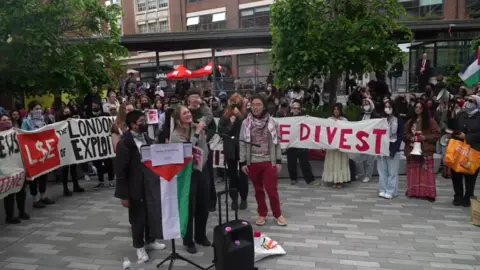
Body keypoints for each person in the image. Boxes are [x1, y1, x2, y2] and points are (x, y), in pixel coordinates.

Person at [114, 110, 166, 263]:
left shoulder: (148, 139)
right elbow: (120, 172)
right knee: (138, 219)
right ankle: (139, 246)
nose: (144, 124)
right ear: (132, 125)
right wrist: (123, 195)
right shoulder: (124, 143)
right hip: (134, 188)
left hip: (150, 185)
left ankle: (150, 240)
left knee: (151, 214)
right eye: (141, 121)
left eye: (145, 121)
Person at [239, 95, 287, 227]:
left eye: (258, 104)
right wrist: (243, 162)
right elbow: (242, 143)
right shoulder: (246, 123)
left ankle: (277, 214)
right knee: (258, 190)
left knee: (272, 190)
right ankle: (262, 213)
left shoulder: (273, 122)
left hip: (268, 161)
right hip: (253, 161)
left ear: (264, 106)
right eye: (253, 104)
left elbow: (277, 143)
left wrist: (278, 161)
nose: (255, 107)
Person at [170, 106, 211, 254]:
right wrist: (198, 132)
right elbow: (186, 150)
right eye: (184, 113)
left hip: (201, 170)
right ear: (178, 118)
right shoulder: (176, 135)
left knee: (203, 204)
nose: (188, 114)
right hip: (187, 174)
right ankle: (188, 240)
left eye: (188, 112)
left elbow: (203, 147)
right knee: (189, 207)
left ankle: (200, 235)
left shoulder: (196, 127)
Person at [404, 101, 441, 202]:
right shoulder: (410, 122)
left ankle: (429, 193)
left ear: (423, 109)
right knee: (414, 171)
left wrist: (425, 137)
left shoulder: (430, 121)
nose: (418, 109)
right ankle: (414, 191)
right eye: (416, 107)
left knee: (426, 172)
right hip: (412, 150)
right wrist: (411, 138)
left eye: (420, 107)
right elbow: (405, 134)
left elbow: (437, 134)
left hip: (425, 150)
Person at [21, 101, 56, 208]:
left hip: (43, 152)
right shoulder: (26, 121)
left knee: (44, 175)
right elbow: (23, 135)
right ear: (30, 110)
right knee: (34, 177)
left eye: (40, 108)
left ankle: (43, 196)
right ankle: (35, 199)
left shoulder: (43, 120)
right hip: (32, 153)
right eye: (36, 109)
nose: (38, 111)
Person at [219, 93, 249, 210]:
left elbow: (248, 129)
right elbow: (222, 133)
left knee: (243, 174)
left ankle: (244, 199)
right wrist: (231, 123)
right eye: (234, 104)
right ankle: (234, 199)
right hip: (230, 149)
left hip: (242, 148)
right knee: (232, 175)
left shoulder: (245, 115)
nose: (236, 106)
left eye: (238, 104)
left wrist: (240, 117)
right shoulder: (225, 116)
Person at [450, 95, 480, 207]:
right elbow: (453, 127)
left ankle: (468, 197)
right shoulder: (461, 114)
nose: (468, 102)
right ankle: (457, 196)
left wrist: (467, 137)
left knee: (470, 175)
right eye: (466, 100)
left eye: (471, 101)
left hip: (473, 150)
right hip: (459, 149)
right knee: (456, 173)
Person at [1, 114, 30, 224]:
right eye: (4, 120)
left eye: (9, 119)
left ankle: (22, 211)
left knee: (21, 190)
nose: (7, 121)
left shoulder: (17, 132)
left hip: (18, 165)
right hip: (6, 169)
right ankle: (10, 216)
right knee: (9, 193)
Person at [285, 100, 317, 185]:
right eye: (294, 108)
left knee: (305, 163)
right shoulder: (286, 119)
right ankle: (293, 178)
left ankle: (310, 179)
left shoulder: (304, 118)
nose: (296, 110)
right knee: (291, 163)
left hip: (302, 144)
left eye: (297, 108)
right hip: (291, 144)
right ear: (291, 109)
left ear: (300, 109)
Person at [377, 101, 404, 199]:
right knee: (382, 170)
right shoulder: (381, 119)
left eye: (389, 106)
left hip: (393, 147)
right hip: (381, 147)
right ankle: (382, 189)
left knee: (392, 171)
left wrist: (395, 147)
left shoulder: (398, 119)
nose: (387, 108)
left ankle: (391, 190)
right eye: (385, 106)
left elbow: (400, 135)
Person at [322, 103, 351, 188]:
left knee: (341, 162)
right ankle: (334, 180)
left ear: (340, 110)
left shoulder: (345, 120)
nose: (336, 111)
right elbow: (324, 132)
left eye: (338, 109)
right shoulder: (329, 120)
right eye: (334, 109)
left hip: (341, 146)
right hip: (332, 146)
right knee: (332, 162)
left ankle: (340, 181)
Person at [58, 106, 85, 196]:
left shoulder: (72, 120)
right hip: (64, 145)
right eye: (65, 112)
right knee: (65, 168)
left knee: (74, 165)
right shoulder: (59, 123)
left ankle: (75, 185)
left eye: (68, 112)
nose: (67, 113)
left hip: (72, 144)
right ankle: (65, 188)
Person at [90, 101, 115, 189]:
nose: (94, 106)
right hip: (96, 143)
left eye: (95, 104)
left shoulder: (106, 115)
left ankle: (111, 180)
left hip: (106, 142)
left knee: (109, 163)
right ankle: (101, 181)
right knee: (98, 163)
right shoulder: (89, 117)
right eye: (92, 105)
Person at [355, 98, 380, 183]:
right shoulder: (361, 115)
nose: (365, 106)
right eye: (364, 104)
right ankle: (361, 173)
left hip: (372, 140)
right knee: (358, 158)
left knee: (370, 160)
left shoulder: (376, 116)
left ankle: (368, 175)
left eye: (367, 104)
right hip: (361, 140)